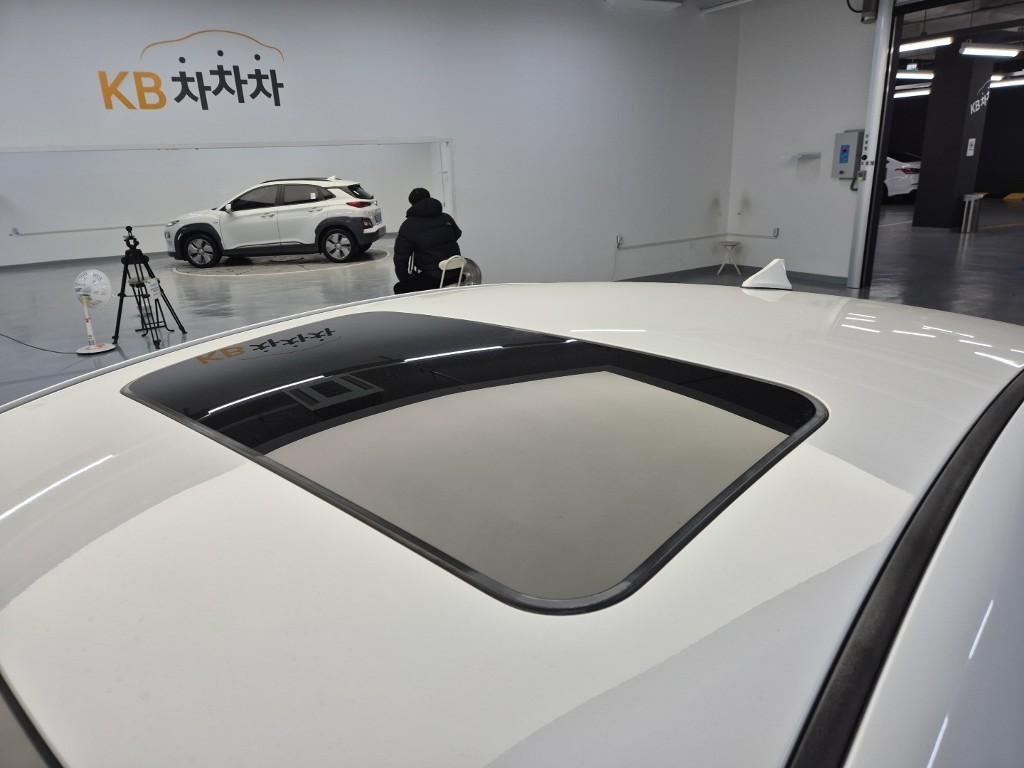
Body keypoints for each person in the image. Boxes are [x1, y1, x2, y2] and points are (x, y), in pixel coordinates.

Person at [393, 188, 463, 294]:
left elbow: (400, 259)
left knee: (400, 288)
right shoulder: (446, 218)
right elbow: (457, 234)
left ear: (412, 203)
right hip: (457, 273)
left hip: (434, 278)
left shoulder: (408, 225)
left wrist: (404, 279)